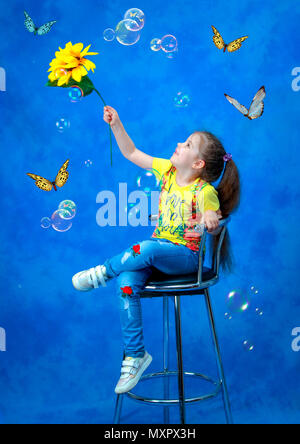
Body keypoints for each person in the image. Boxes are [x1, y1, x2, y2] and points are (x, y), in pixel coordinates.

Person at [72, 106, 241, 394]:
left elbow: (213, 218)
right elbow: (132, 153)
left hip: (185, 258)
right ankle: (136, 355)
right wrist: (116, 125)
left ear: (198, 164)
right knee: (127, 283)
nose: (179, 144)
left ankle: (102, 272)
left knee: (146, 247)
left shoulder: (205, 192)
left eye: (187, 145)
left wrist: (211, 219)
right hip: (156, 254)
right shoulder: (167, 170)